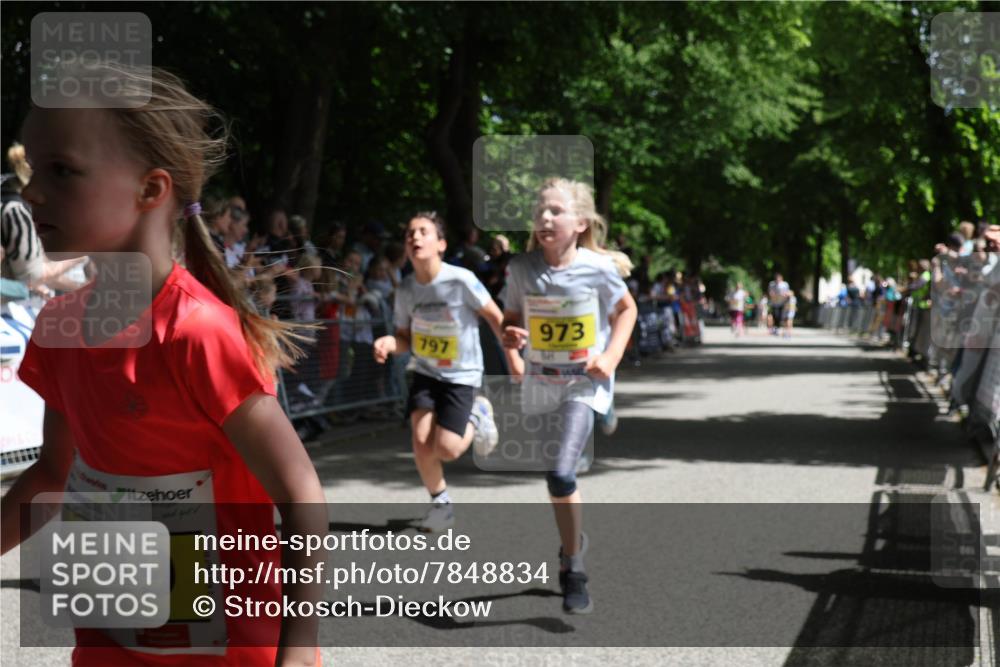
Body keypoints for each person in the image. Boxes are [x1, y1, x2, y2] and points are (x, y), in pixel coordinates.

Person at [0, 65, 325, 666]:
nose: (30, 193)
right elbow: (50, 474)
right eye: (30, 170)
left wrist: (299, 649)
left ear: (150, 190)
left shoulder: (196, 333)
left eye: (62, 170)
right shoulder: (61, 326)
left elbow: (301, 491)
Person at [501, 178, 637, 615]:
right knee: (554, 478)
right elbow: (510, 319)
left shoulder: (597, 269)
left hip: (583, 381)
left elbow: (626, 310)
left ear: (579, 223)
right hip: (543, 381)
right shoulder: (521, 269)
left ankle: (573, 568)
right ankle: (570, 545)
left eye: (555, 211)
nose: (544, 218)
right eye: (540, 210)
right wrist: (511, 339)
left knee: (562, 474)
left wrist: (612, 355)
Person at [372, 212, 504, 533]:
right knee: (420, 442)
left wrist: (514, 356)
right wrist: (390, 342)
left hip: (462, 374)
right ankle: (441, 504)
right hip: (426, 371)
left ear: (441, 244)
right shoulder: (405, 289)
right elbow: (404, 338)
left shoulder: (461, 280)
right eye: (409, 233)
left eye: (423, 232)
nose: (414, 237)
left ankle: (479, 412)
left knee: (448, 449)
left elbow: (494, 316)